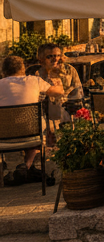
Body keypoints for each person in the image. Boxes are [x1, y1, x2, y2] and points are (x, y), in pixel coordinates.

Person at [0, 55, 64, 184]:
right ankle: (27, 165)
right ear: (23, 68)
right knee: (35, 125)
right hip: (32, 134)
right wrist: (58, 82)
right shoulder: (34, 81)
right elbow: (58, 92)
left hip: (4, 137)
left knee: (19, 124)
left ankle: (15, 168)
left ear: (3, 71)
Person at [33, 43, 83, 116]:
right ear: (42, 58)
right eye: (50, 56)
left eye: (58, 55)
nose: (55, 59)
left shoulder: (69, 70)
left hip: (68, 111)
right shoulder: (37, 74)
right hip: (45, 114)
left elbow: (78, 91)